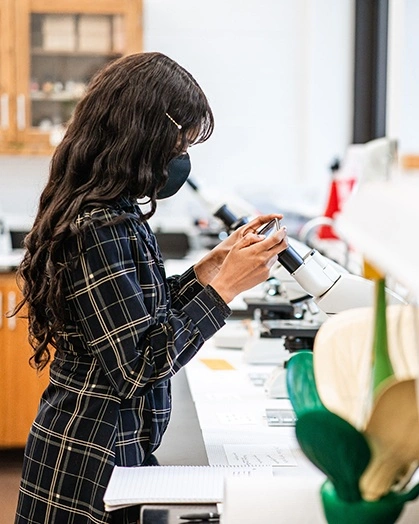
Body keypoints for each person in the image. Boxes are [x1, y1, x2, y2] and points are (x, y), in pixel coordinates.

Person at [14, 51, 288, 524]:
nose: (181, 158)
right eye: (178, 143)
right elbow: (138, 364)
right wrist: (223, 291)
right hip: (88, 460)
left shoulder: (114, 211)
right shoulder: (96, 224)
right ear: (142, 134)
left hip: (106, 447)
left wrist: (210, 268)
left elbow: (142, 316)